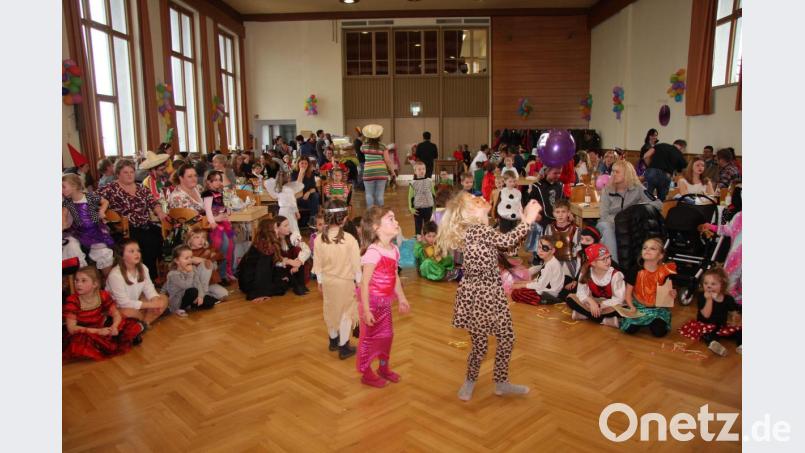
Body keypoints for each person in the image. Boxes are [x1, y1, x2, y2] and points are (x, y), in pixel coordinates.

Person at [435, 192, 542, 401]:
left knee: (506, 338)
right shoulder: (477, 230)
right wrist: (527, 219)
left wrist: (522, 222)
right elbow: (507, 240)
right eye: (475, 200)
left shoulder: (482, 231)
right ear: (471, 212)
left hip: (491, 292)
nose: (481, 198)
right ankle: (470, 380)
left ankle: (501, 383)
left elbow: (508, 246)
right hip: (479, 294)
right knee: (481, 344)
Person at [357, 207, 411, 388]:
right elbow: (364, 284)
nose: (396, 222)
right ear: (376, 227)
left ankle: (383, 367)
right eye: (390, 219)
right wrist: (365, 310)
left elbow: (394, 276)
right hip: (370, 303)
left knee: (387, 336)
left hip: (385, 303)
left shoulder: (394, 249)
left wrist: (402, 298)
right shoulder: (373, 252)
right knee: (368, 339)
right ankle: (366, 373)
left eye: (395, 218)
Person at [98, 159, 168, 279]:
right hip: (125, 229)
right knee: (147, 242)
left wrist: (160, 212)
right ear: (118, 174)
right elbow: (91, 199)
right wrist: (103, 209)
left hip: (145, 224)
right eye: (126, 172)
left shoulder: (141, 188)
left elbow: (154, 203)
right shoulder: (110, 188)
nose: (130, 175)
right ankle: (145, 277)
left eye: (132, 172)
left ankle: (149, 276)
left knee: (160, 237)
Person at [63, 266, 145, 361]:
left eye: (83, 280)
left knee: (126, 324)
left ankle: (129, 337)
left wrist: (114, 326)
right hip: (85, 331)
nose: (78, 284)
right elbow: (72, 328)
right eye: (76, 280)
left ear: (95, 284)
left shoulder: (102, 295)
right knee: (79, 341)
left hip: (101, 326)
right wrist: (98, 331)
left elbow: (116, 314)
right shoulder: (73, 301)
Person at [312, 200, 361, 359]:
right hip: (345, 283)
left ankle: (333, 340)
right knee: (346, 314)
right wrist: (359, 284)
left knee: (331, 310)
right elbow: (356, 266)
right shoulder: (350, 240)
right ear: (345, 219)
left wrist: (319, 282)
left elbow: (317, 263)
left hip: (328, 282)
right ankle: (343, 346)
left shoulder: (319, 239)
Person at [597, 160, 663, 262]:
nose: (613, 174)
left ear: (627, 174)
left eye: (617, 172)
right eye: (612, 171)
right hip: (610, 222)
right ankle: (615, 265)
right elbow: (603, 215)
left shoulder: (637, 188)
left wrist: (637, 208)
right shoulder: (607, 189)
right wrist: (620, 220)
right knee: (607, 229)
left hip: (629, 223)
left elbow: (658, 204)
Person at [619, 238, 677, 337]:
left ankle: (652, 321)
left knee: (659, 333)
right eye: (645, 248)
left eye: (652, 248)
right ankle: (643, 321)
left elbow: (669, 292)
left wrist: (672, 294)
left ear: (661, 255)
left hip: (657, 308)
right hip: (639, 307)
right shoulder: (635, 270)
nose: (647, 250)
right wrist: (631, 306)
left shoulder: (665, 271)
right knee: (629, 330)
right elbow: (628, 293)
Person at [678, 268, 741, 356]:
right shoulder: (701, 296)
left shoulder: (727, 298)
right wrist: (709, 300)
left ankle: (741, 345)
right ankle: (714, 345)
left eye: (713, 284)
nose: (708, 286)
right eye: (706, 283)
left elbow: (735, 311)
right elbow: (706, 315)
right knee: (708, 335)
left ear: (722, 285)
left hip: (721, 325)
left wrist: (735, 317)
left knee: (739, 331)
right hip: (705, 325)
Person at [105, 239, 169, 326]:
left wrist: (155, 300)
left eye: (138, 250)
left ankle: (144, 323)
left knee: (163, 299)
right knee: (129, 313)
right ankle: (142, 319)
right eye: (131, 251)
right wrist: (151, 305)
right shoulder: (115, 275)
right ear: (122, 255)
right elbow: (123, 303)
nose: (137, 253)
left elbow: (149, 288)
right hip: (119, 307)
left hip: (135, 302)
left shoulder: (143, 268)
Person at [62, 174, 115, 273]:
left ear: (74, 186)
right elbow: (63, 217)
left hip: (94, 229)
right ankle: (83, 274)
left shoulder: (89, 197)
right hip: (78, 232)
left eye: (63, 186)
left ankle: (107, 278)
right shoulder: (67, 202)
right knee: (72, 247)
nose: (61, 190)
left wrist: (101, 211)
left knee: (102, 252)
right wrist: (63, 225)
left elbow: (105, 202)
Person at [564, 244, 624, 327]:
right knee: (570, 299)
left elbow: (619, 298)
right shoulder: (585, 273)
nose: (608, 261)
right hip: (594, 302)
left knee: (622, 309)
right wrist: (591, 301)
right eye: (603, 259)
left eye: (609, 257)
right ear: (593, 262)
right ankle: (605, 320)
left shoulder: (616, 275)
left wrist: (600, 306)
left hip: (609, 305)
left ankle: (585, 315)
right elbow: (581, 293)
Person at [163, 245, 228, 317]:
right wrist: (190, 273)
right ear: (177, 261)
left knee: (210, 303)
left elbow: (198, 283)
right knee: (193, 291)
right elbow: (187, 285)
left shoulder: (193, 268)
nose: (190, 260)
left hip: (190, 297)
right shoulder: (173, 274)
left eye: (191, 257)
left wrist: (200, 296)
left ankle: (192, 304)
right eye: (186, 258)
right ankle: (179, 309)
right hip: (178, 301)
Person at [236, 218, 289, 302]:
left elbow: (272, 265)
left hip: (255, 279)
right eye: (275, 228)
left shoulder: (265, 242)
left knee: (284, 281)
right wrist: (260, 293)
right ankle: (261, 291)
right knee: (282, 287)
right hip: (251, 283)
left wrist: (279, 277)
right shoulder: (264, 246)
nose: (277, 229)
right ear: (269, 231)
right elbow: (261, 271)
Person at [699, 210, 742, 305]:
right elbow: (728, 229)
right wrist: (711, 227)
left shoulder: (739, 215)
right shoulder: (739, 216)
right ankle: (731, 306)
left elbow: (728, 230)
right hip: (735, 259)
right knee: (730, 281)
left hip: (735, 257)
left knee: (731, 280)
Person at [202, 171, 237, 283]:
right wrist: (213, 222)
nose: (218, 182)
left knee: (232, 242)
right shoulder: (207, 194)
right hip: (215, 225)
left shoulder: (219, 193)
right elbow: (208, 210)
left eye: (219, 180)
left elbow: (222, 207)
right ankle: (221, 275)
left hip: (223, 223)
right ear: (208, 182)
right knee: (223, 245)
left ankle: (228, 270)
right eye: (215, 180)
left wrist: (227, 214)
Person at [511, 235, 566, 305]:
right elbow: (539, 280)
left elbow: (540, 285)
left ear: (553, 251)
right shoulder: (548, 261)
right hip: (544, 289)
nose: (541, 250)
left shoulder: (550, 265)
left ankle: (547, 301)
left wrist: (522, 285)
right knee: (518, 287)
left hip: (548, 293)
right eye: (539, 247)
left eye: (545, 248)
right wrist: (521, 282)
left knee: (516, 293)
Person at [360, 124, 395, 208]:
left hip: (368, 172)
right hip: (381, 172)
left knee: (369, 194)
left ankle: (371, 215)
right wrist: (392, 172)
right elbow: (387, 161)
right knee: (379, 195)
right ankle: (379, 215)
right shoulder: (383, 146)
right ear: (379, 135)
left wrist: (365, 139)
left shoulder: (364, 146)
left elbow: (361, 149)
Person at [275, 216, 312, 296]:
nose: (289, 227)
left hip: (295, 265)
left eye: (288, 225)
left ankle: (300, 285)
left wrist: (298, 261)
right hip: (282, 267)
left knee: (298, 251)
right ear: (277, 228)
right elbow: (275, 260)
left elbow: (306, 250)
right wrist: (289, 262)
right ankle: (293, 283)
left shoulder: (293, 236)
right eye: (285, 226)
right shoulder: (274, 241)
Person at [264, 170, 305, 236]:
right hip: (290, 211)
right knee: (293, 228)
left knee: (282, 227)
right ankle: (295, 241)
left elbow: (266, 182)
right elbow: (292, 202)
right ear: (287, 179)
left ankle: (283, 241)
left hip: (282, 211)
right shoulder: (289, 190)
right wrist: (297, 212)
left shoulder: (277, 189)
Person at [408, 161, 436, 238]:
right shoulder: (413, 183)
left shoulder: (430, 181)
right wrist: (411, 208)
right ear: (415, 171)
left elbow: (433, 194)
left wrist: (434, 206)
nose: (422, 171)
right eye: (419, 169)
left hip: (428, 207)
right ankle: (418, 238)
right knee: (418, 225)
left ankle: (428, 238)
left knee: (428, 225)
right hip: (418, 209)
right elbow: (410, 197)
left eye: (423, 169)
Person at [292, 158, 321, 228]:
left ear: (308, 165)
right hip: (298, 199)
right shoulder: (294, 173)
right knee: (315, 202)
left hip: (309, 199)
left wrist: (308, 192)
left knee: (315, 196)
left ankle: (312, 219)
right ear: (298, 164)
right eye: (302, 163)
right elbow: (297, 188)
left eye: (306, 163)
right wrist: (301, 173)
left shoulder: (310, 174)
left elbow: (314, 188)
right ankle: (313, 220)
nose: (304, 165)